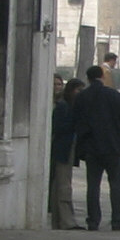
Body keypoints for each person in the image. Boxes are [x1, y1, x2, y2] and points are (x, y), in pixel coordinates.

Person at [75, 62, 120, 232]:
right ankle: (118, 220)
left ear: (87, 78)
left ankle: (93, 221)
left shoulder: (82, 97)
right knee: (116, 184)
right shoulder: (112, 95)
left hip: (91, 147)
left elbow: (76, 120)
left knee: (93, 186)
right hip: (112, 145)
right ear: (102, 77)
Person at [46, 76, 83, 229]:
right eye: (78, 90)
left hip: (64, 149)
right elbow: (58, 128)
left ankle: (61, 220)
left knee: (59, 184)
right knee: (62, 185)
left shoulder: (67, 106)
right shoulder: (64, 107)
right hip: (63, 149)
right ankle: (66, 221)